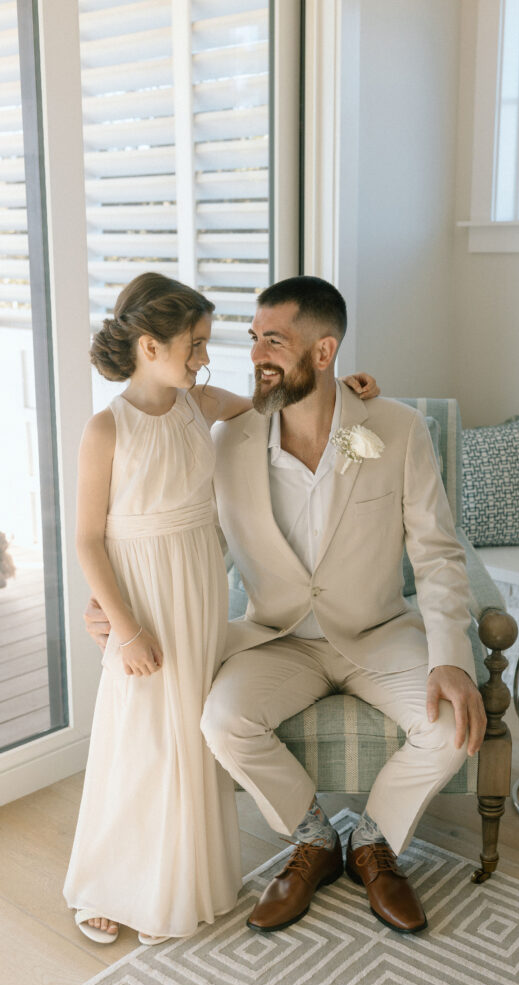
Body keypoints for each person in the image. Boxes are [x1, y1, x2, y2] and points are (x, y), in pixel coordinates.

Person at [68, 272, 378, 945]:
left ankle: (176, 881)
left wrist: (347, 394)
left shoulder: (197, 403)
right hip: (144, 600)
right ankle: (110, 884)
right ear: (150, 347)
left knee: (185, 738)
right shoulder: (106, 429)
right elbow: (88, 539)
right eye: (196, 345)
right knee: (139, 742)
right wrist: (123, 630)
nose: (206, 358)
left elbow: (276, 406)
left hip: (196, 589)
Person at [198, 275, 487, 935]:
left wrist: (450, 659)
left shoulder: (398, 429)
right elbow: (198, 548)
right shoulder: (229, 441)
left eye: (274, 340)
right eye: (253, 339)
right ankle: (313, 841)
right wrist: (126, 609)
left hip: (377, 633)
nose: (257, 354)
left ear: (323, 353)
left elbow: (437, 554)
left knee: (449, 728)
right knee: (222, 721)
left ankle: (373, 844)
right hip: (277, 638)